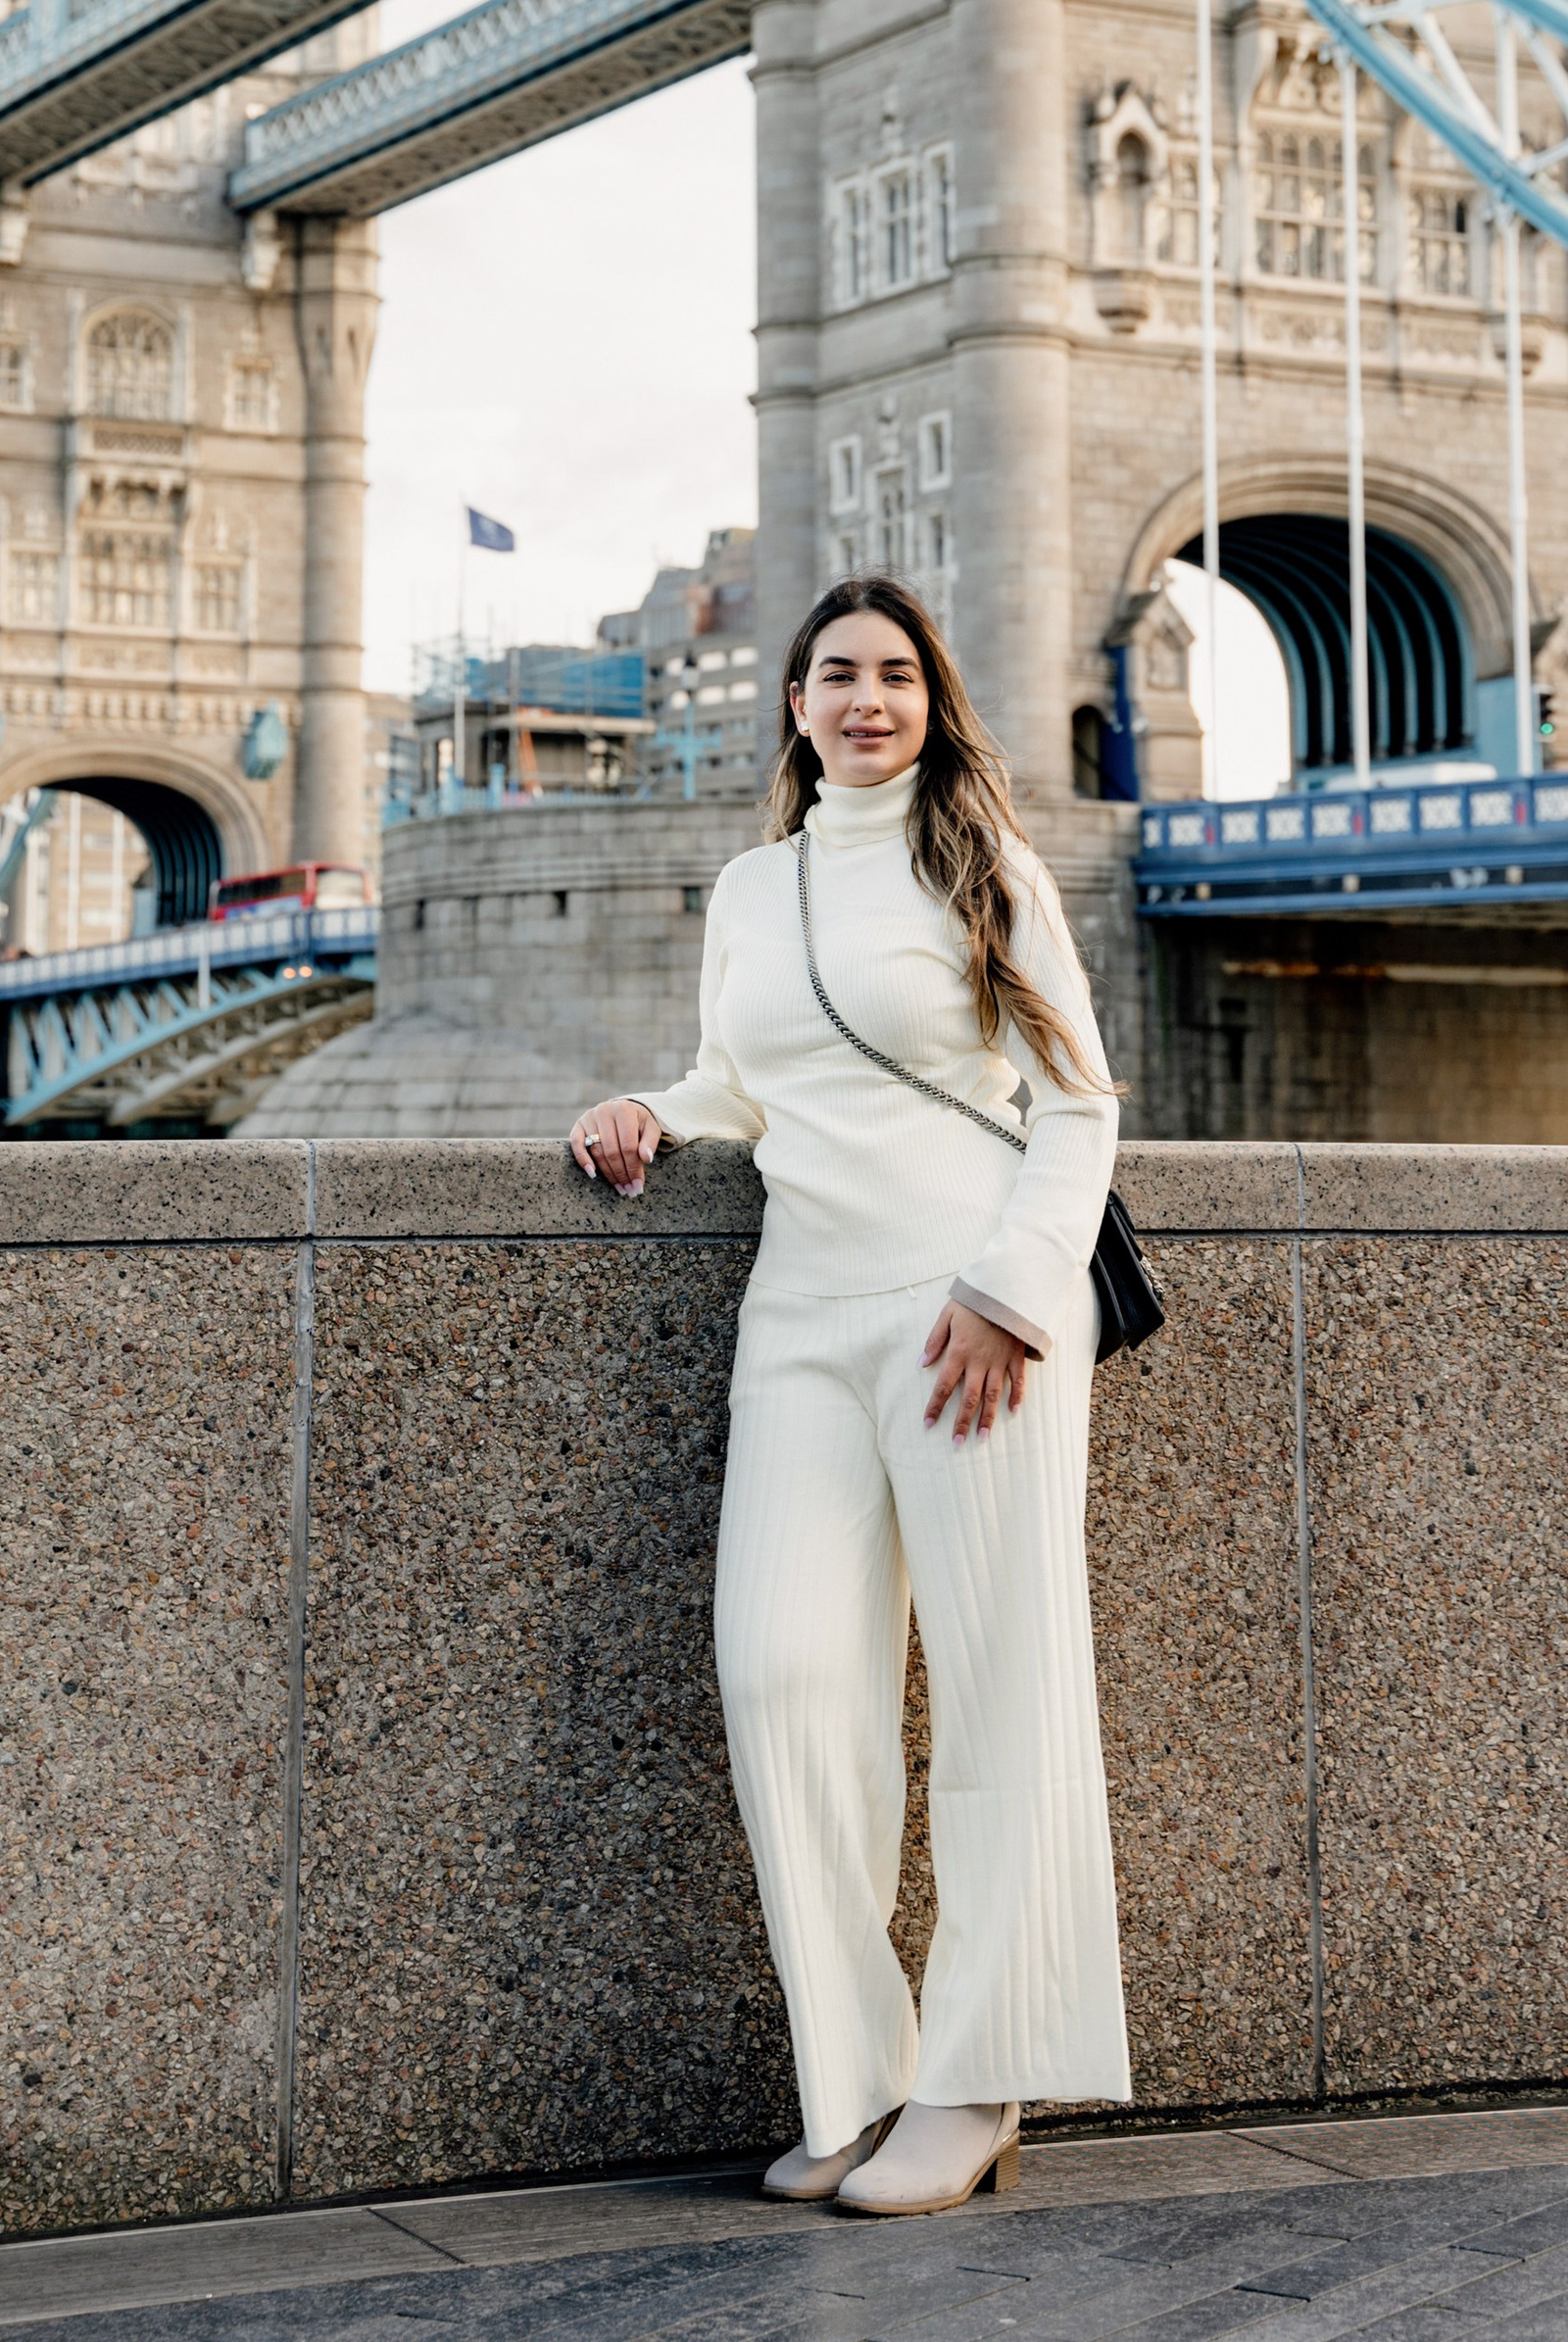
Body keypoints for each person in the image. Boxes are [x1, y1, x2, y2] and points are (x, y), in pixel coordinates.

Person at [569, 575, 1131, 2218]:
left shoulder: (987, 867)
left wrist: (1016, 1291)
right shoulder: (751, 886)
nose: (866, 699)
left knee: (1000, 1690)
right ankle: (857, 2074)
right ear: (796, 706)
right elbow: (750, 1078)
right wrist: (655, 1110)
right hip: (802, 1311)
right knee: (784, 1675)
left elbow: (1078, 1106)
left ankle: (976, 2084)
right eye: (837, 675)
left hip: (978, 1314)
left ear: (930, 703)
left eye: (895, 675)